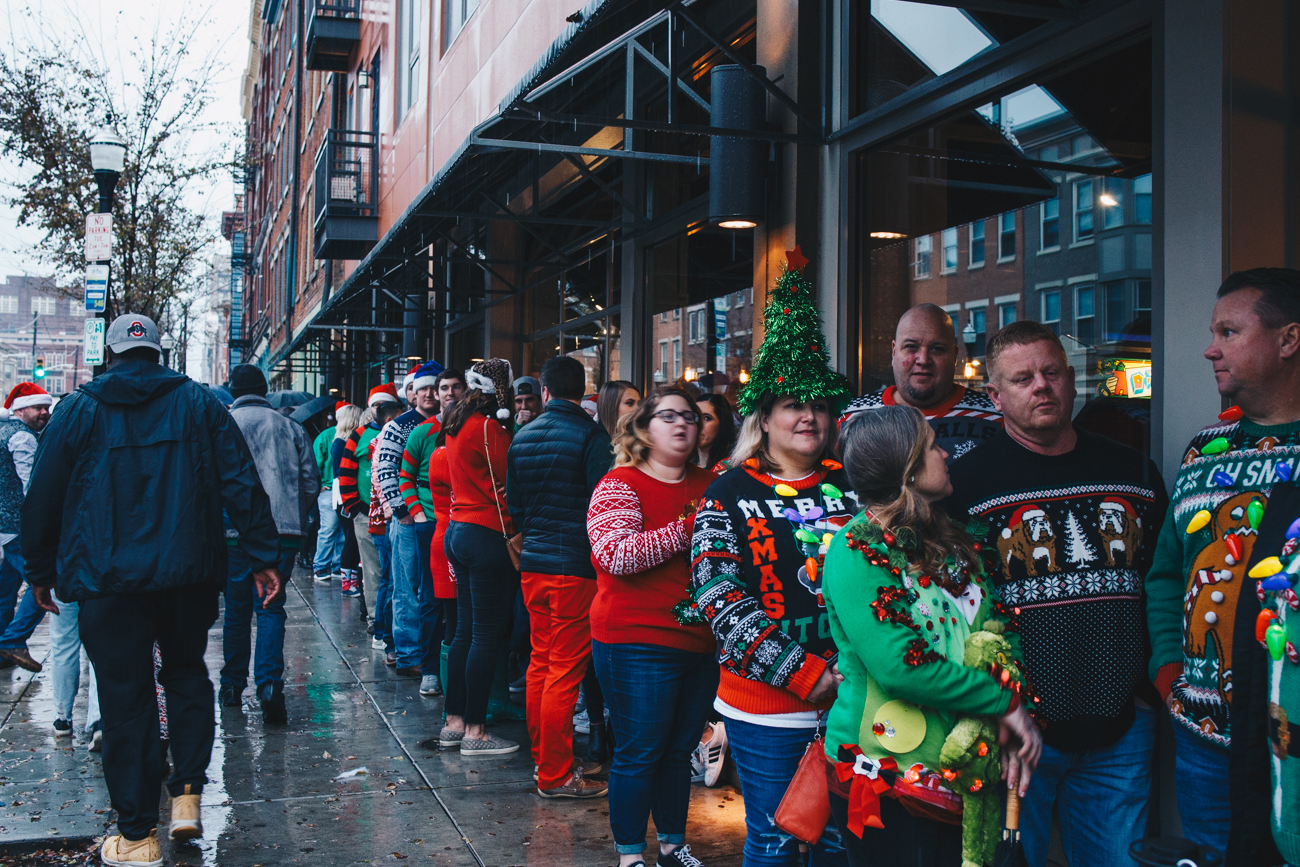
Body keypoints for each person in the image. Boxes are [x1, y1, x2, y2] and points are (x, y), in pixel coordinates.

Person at [22, 313, 280, 865]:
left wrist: (39, 570)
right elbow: (240, 478)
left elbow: (43, 495)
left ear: (110, 354)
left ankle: (137, 834)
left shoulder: (79, 409)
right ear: (159, 353)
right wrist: (262, 556)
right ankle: (186, 795)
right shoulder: (199, 404)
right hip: (186, 572)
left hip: (107, 578)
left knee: (124, 695)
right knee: (186, 672)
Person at [940, 321, 1165, 867]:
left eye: (1051, 372)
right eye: (1023, 379)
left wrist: (1149, 691)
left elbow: (1163, 583)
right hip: (1017, 731)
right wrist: (991, 706)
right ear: (995, 396)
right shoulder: (966, 485)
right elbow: (949, 615)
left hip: (1120, 730)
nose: (1041, 386)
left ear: (1071, 380)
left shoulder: (1129, 467)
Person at [689, 251, 857, 867]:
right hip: (769, 707)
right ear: (765, 417)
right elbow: (718, 596)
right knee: (777, 839)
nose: (808, 416)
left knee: (840, 842)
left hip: (860, 700)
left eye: (817, 404)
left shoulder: (858, 484)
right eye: (792, 405)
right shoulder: (729, 490)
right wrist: (803, 672)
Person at [823, 406, 1042, 866]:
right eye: (931, 446)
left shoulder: (956, 541)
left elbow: (999, 632)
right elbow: (901, 667)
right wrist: (1003, 703)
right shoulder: (855, 550)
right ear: (908, 470)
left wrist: (1009, 709)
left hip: (966, 770)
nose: (945, 453)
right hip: (893, 779)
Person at [1145, 268, 1300, 860]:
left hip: (1290, 742)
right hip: (1203, 737)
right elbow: (1164, 576)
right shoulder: (1202, 452)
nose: (1211, 348)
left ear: (1288, 340)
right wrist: (1168, 676)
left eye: (1229, 332)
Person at [587, 388, 717, 867]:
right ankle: (629, 855)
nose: (682, 424)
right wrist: (691, 526)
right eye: (668, 416)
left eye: (690, 416)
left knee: (680, 749)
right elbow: (617, 554)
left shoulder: (714, 481)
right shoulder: (619, 484)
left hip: (702, 642)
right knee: (641, 750)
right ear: (643, 428)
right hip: (634, 640)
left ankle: (672, 845)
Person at [506, 356, 613, 798]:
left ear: (545, 391)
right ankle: (555, 773)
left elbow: (515, 506)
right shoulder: (591, 435)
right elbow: (600, 503)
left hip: (534, 563)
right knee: (564, 672)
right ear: (582, 390)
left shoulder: (522, 436)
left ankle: (543, 761)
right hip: (575, 566)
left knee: (541, 664)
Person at [222, 364, 320, 723]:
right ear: (264, 389)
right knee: (271, 607)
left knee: (235, 611)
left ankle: (232, 685)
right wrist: (294, 514)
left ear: (233, 390)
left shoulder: (223, 424)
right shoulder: (290, 426)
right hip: (283, 532)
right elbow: (311, 481)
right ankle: (268, 686)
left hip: (233, 533)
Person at [438, 358, 522, 756]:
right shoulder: (490, 428)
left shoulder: (454, 425)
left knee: (465, 633)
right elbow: (511, 479)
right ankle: (476, 733)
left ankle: (454, 723)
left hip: (458, 530)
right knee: (487, 636)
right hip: (488, 532)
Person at [840, 304, 1002, 463]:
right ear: (894, 351)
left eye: (937, 349)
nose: (923, 360)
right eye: (911, 347)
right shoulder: (848, 419)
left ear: (954, 355)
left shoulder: (998, 417)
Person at [376, 361, 443, 681]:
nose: (430, 394)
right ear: (413, 393)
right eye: (424, 389)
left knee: (431, 591)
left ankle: (425, 652)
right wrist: (402, 513)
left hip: (439, 519)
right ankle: (407, 654)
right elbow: (386, 471)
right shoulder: (399, 425)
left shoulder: (448, 423)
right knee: (407, 589)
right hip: (407, 523)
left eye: (435, 388)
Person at [397, 365, 455, 697]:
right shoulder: (421, 432)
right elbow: (404, 477)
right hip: (430, 524)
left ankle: (456, 669)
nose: (447, 393)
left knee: (464, 602)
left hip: (467, 524)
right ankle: (430, 669)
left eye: (453, 387)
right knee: (431, 599)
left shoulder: (477, 430)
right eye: (442, 387)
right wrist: (418, 515)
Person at [339, 385, 402, 642]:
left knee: (395, 571)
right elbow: (345, 473)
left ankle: (392, 621)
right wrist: (355, 509)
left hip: (397, 514)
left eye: (384, 405)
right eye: (375, 405)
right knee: (373, 571)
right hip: (365, 515)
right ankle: (377, 619)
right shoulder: (359, 435)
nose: (379, 410)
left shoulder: (401, 431)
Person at [0, 382, 53, 672]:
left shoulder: (4, 432)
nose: (44, 413)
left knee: (5, 589)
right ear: (21, 410)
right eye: (38, 408)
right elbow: (31, 488)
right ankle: (13, 640)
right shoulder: (23, 438)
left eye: (46, 408)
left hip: (4, 527)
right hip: (18, 528)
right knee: (41, 582)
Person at [311, 402, 353, 583]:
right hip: (331, 490)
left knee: (337, 530)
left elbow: (313, 463)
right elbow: (314, 464)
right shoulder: (333, 438)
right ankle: (322, 566)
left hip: (331, 489)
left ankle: (332, 565)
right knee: (333, 530)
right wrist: (319, 483)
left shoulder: (328, 436)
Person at [695, 393, 735, 472]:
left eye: (707, 418)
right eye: (695, 417)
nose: (698, 424)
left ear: (722, 423)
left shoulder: (729, 468)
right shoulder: (684, 464)